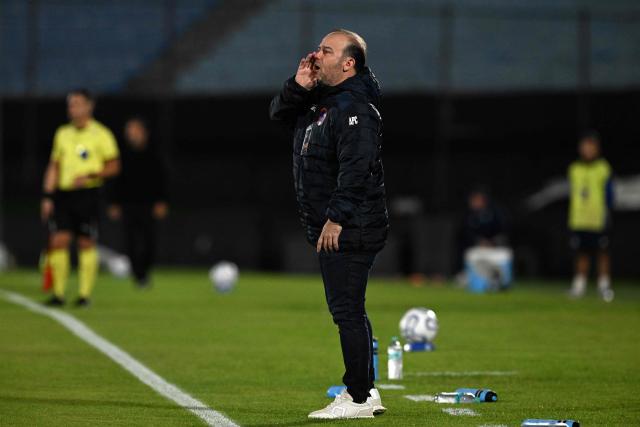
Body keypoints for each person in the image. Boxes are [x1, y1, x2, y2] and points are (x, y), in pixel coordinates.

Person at [270, 29, 388, 419]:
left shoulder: (356, 108)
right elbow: (278, 116)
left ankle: (356, 398)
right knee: (351, 307)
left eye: (327, 50)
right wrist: (297, 86)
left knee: (346, 311)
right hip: (337, 222)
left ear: (348, 62)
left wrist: (336, 217)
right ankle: (365, 391)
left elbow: (358, 168)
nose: (316, 54)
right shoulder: (322, 100)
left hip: (351, 224)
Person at [41, 89, 120, 307]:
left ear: (88, 106)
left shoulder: (101, 134)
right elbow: (54, 167)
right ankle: (58, 294)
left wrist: (92, 175)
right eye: (70, 104)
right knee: (58, 241)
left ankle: (84, 295)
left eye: (76, 103)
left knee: (85, 242)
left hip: (88, 195)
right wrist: (47, 196)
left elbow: (114, 166)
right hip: (64, 195)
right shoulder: (62, 133)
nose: (71, 108)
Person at [108, 117, 169, 287]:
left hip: (148, 204)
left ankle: (145, 270)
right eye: (129, 131)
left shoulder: (154, 153)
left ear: (144, 132)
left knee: (149, 240)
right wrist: (114, 202)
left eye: (134, 130)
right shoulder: (120, 153)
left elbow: (161, 178)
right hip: (127, 204)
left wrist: (161, 201)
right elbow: (115, 180)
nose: (131, 134)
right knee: (130, 240)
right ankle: (138, 274)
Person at [568, 131, 614, 301]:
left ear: (597, 149)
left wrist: (606, 212)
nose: (587, 149)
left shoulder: (603, 168)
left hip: (598, 219)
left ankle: (604, 286)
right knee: (581, 253)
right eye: (584, 146)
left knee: (602, 252)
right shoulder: (574, 168)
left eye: (590, 146)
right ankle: (579, 285)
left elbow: (609, 195)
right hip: (579, 219)